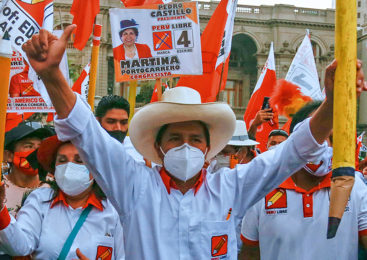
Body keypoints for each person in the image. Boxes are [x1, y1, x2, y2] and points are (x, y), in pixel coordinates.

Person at [21, 25, 366, 260]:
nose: (185, 147)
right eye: (174, 138)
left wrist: (334, 103)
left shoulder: (232, 186)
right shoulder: (133, 185)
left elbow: (293, 151)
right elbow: (87, 134)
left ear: (207, 148)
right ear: (157, 148)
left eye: (194, 139)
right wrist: (53, 77)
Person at [240, 102, 367, 260]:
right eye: (317, 135)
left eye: (333, 138)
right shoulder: (263, 189)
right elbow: (250, 253)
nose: (325, 145)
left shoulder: (355, 187)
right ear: (296, 139)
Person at [0, 136, 125, 259]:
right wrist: (1, 209)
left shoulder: (115, 209)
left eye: (79, 160)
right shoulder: (39, 199)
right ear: (54, 168)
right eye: (62, 160)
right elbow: (19, 246)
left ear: (95, 168)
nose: (69, 166)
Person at [3, 122, 53, 216]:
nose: (37, 153)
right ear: (9, 155)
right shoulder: (1, 189)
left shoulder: (56, 188)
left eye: (41, 146)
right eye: (29, 146)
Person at [95, 95, 145, 163]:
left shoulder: (141, 151)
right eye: (111, 122)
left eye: (123, 122)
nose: (118, 128)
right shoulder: (83, 151)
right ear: (97, 121)